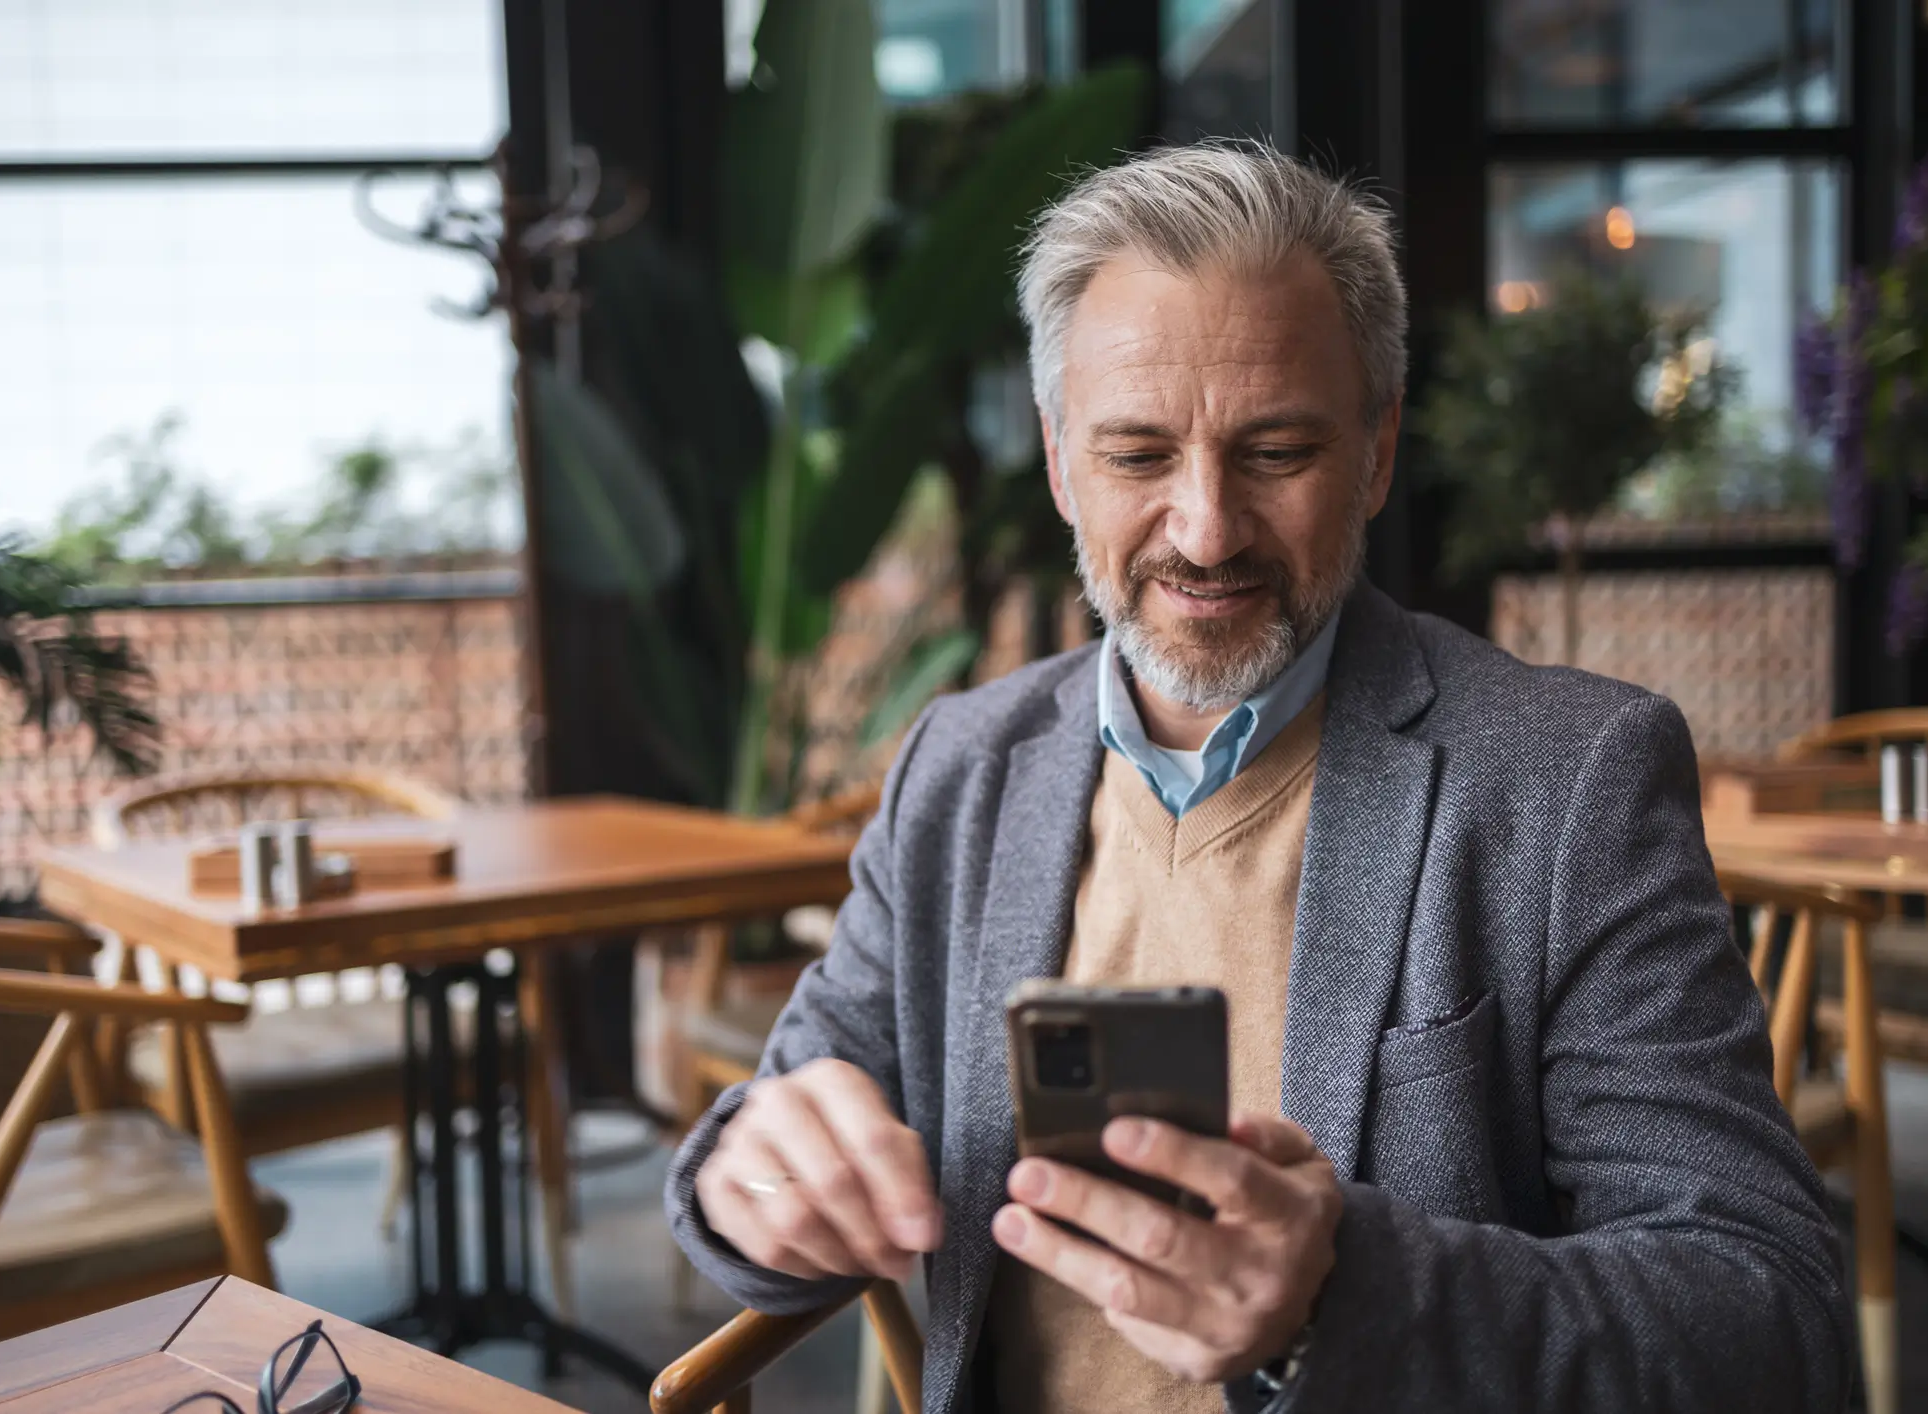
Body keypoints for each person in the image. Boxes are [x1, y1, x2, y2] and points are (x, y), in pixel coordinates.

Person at [666, 141, 1848, 1412]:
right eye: (1135, 456)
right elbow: (785, 1121)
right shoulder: (960, 769)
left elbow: (1767, 1320)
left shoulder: (1570, 784)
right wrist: (752, 1178)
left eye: (1277, 451)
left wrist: (1345, 1292)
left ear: (1377, 450)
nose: (1207, 528)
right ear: (1062, 462)